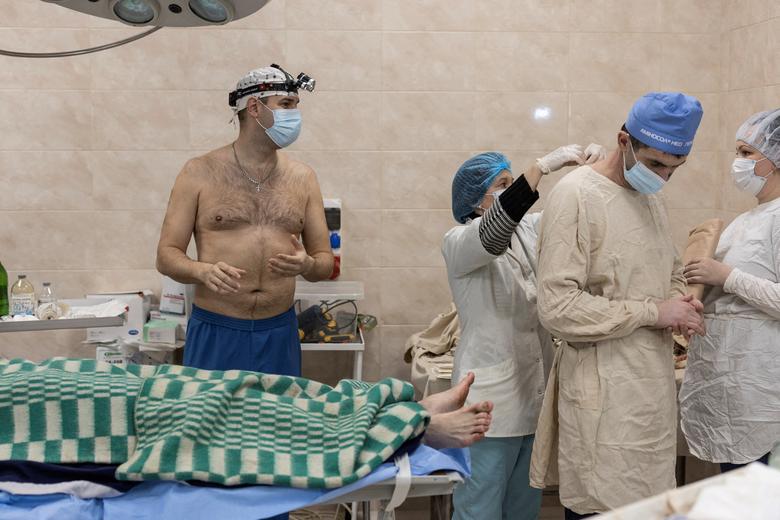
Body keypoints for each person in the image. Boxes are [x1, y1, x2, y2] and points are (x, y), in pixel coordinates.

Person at [529, 92, 707, 519]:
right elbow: (557, 307)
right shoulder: (575, 195)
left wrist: (679, 302)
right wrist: (654, 312)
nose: (664, 177)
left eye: (674, 168)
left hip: (650, 390)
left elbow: (668, 266)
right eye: (656, 164)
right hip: (602, 394)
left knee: (651, 505)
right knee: (601, 502)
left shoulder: (651, 196)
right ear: (623, 140)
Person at [442, 144, 606, 520]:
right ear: (475, 199)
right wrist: (541, 167)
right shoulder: (458, 241)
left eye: (511, 181)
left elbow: (572, 215)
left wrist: (596, 172)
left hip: (532, 396)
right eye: (502, 184)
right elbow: (494, 230)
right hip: (489, 405)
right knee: (479, 509)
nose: (511, 187)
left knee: (524, 507)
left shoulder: (527, 231)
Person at [156, 65, 334, 378]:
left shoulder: (303, 178)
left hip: (279, 332)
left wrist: (307, 264)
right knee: (209, 412)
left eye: (296, 106)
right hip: (216, 330)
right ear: (254, 107)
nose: (294, 115)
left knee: (279, 412)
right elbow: (166, 256)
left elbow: (324, 264)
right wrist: (202, 271)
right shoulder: (198, 172)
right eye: (286, 104)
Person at [680, 108, 780, 473]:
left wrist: (726, 276)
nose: (737, 162)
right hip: (728, 390)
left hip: (761, 394)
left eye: (747, 152)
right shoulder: (746, 220)